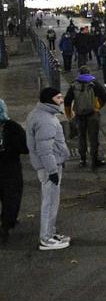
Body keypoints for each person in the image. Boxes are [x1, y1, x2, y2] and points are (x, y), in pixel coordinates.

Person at [26, 88, 71, 250]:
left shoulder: (41, 114)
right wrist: (52, 171)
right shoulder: (46, 120)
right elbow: (45, 150)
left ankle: (50, 233)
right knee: (50, 202)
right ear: (50, 99)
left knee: (51, 201)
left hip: (49, 165)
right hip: (49, 168)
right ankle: (46, 238)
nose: (61, 99)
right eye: (58, 97)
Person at [64, 66, 106, 168]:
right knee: (93, 138)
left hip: (79, 116)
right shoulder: (94, 83)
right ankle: (94, 160)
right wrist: (98, 106)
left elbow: (67, 100)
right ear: (89, 73)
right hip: (92, 114)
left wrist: (69, 115)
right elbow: (104, 95)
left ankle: (82, 159)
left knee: (81, 137)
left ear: (79, 74)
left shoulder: (74, 85)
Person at [0, 99, 28, 244]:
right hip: (10, 167)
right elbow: (24, 147)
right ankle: (7, 225)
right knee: (11, 196)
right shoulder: (12, 127)